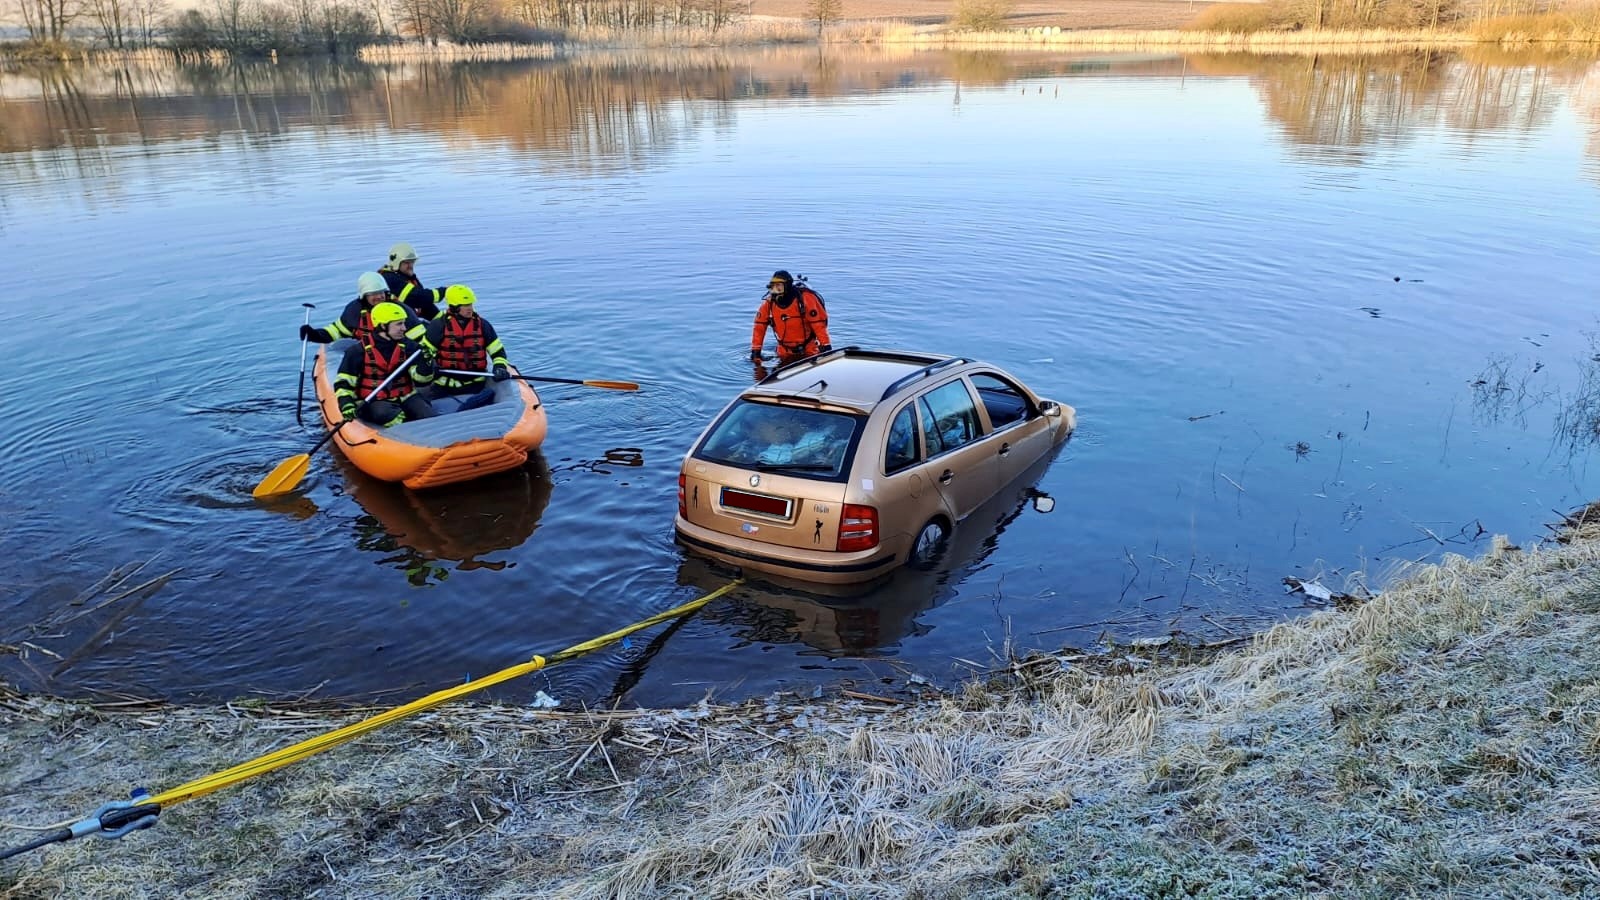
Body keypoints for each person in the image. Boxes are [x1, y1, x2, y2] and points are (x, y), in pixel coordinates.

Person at [334, 301, 437, 427]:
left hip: (405, 395)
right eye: (399, 324)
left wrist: (425, 363)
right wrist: (346, 404)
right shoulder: (357, 352)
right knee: (387, 415)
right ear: (383, 326)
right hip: (374, 400)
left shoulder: (410, 347)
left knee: (428, 415)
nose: (404, 328)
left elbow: (422, 381)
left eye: (404, 323)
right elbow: (343, 382)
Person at [420, 284, 512, 399]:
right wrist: (431, 368)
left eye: (471, 304)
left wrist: (500, 367)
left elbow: (498, 351)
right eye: (465, 305)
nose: (470, 308)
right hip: (444, 386)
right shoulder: (437, 326)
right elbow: (425, 355)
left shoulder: (483, 325)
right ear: (454, 307)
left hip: (476, 384)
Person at [300, 272, 425, 345]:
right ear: (364, 296)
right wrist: (314, 335)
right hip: (369, 360)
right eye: (373, 293)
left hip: (399, 360)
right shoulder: (354, 311)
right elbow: (336, 331)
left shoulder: (402, 311)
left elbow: (421, 342)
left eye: (381, 292)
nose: (379, 297)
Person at [750, 270, 831, 366]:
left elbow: (819, 325)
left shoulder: (806, 299)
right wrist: (756, 351)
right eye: (773, 287)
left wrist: (826, 347)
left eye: (779, 287)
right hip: (783, 351)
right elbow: (759, 326)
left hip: (809, 351)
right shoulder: (769, 302)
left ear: (787, 286)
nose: (775, 291)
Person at [380, 242, 446, 320]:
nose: (411, 265)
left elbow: (424, 303)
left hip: (410, 319)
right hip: (398, 323)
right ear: (396, 262)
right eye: (407, 262)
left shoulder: (406, 276)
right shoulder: (390, 279)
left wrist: (442, 320)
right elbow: (417, 297)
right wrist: (445, 291)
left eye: (412, 262)